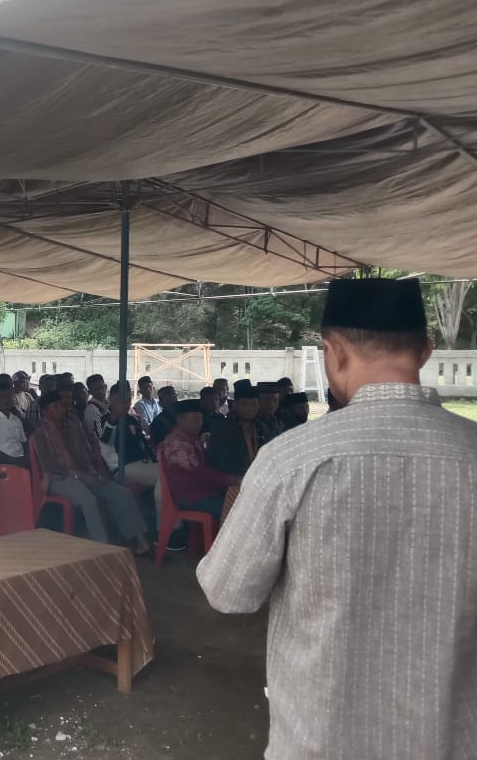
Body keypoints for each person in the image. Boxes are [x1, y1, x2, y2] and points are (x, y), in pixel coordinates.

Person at [199, 277, 477, 758]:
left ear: (334, 352)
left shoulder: (290, 458)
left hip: (321, 738)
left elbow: (228, 591)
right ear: (427, 351)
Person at [29, 391, 151, 554]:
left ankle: (141, 542)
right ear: (45, 411)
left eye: (63, 406)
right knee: (89, 500)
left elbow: (88, 451)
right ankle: (102, 548)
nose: (62, 409)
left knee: (122, 494)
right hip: (59, 479)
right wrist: (79, 476)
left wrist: (93, 473)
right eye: (56, 407)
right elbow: (50, 468)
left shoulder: (74, 424)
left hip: (86, 474)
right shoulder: (39, 435)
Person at [156, 400, 240, 524]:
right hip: (188, 496)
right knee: (233, 511)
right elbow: (203, 473)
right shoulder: (176, 445)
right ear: (180, 420)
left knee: (236, 499)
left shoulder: (193, 438)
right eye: (195, 419)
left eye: (201, 419)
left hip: (203, 489)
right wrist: (234, 478)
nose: (200, 424)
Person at [96, 384, 158, 491]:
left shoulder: (131, 419)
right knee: (161, 475)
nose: (126, 404)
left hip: (143, 462)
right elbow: (106, 439)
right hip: (122, 467)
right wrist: (114, 417)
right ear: (111, 400)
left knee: (169, 472)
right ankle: (165, 507)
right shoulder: (99, 421)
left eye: (128, 400)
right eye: (121, 401)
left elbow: (142, 443)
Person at [206, 386, 267, 478]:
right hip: (232, 479)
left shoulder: (263, 427)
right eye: (244, 404)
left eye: (254, 404)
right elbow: (216, 460)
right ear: (235, 405)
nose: (249, 408)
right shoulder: (222, 427)